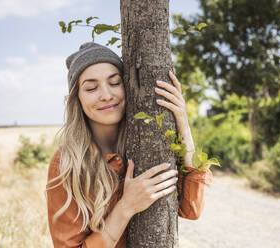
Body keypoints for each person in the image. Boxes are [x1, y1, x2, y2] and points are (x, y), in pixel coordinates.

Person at [46, 42, 213, 248]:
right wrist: (126, 207)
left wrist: (183, 125)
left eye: (115, 83)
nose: (106, 95)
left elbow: (191, 209)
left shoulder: (149, 142)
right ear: (77, 98)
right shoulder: (67, 163)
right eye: (91, 88)